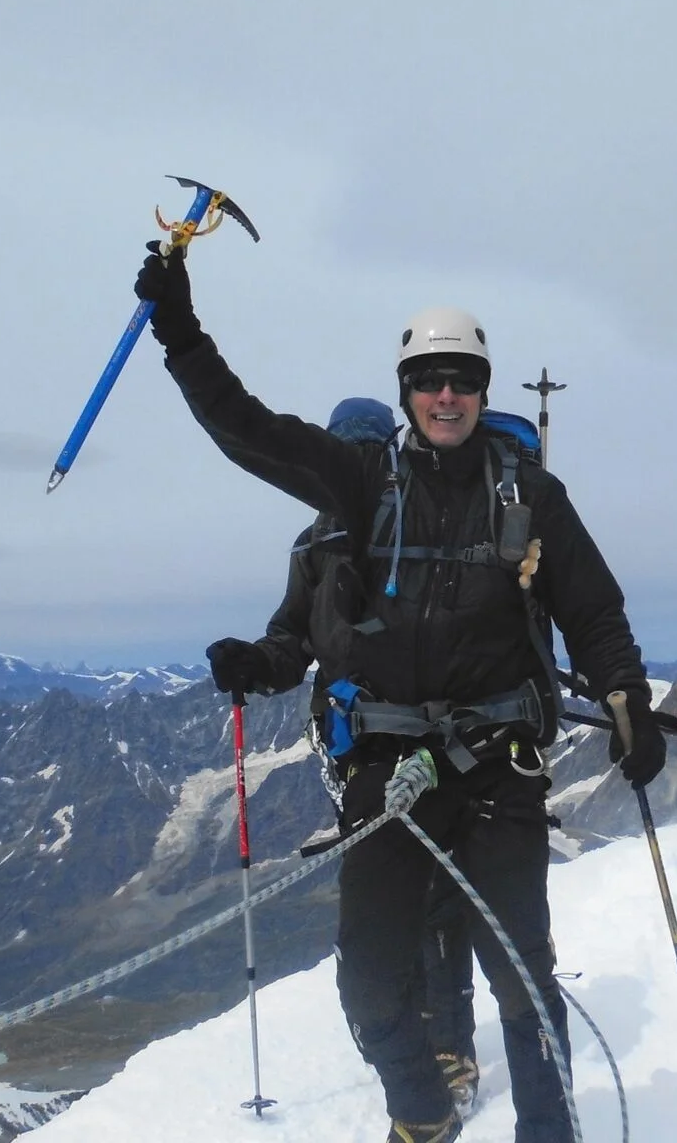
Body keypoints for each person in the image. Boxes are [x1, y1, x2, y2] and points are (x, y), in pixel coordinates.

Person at [136, 243, 666, 1143]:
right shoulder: (359, 483)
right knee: (373, 980)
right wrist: (179, 329)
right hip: (387, 770)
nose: (446, 395)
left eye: (461, 379)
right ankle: (423, 1110)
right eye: (429, 379)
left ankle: (548, 1132)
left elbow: (594, 610)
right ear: (407, 390)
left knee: (521, 973)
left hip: (500, 767)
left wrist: (623, 698)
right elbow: (246, 428)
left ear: (482, 388)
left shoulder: (532, 494)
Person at [204, 396, 483, 1116]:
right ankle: (428, 1048)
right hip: (358, 750)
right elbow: (292, 642)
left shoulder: (399, 532)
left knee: (431, 894)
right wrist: (254, 664)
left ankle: (445, 1046)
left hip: (421, 742)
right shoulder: (315, 546)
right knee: (405, 897)